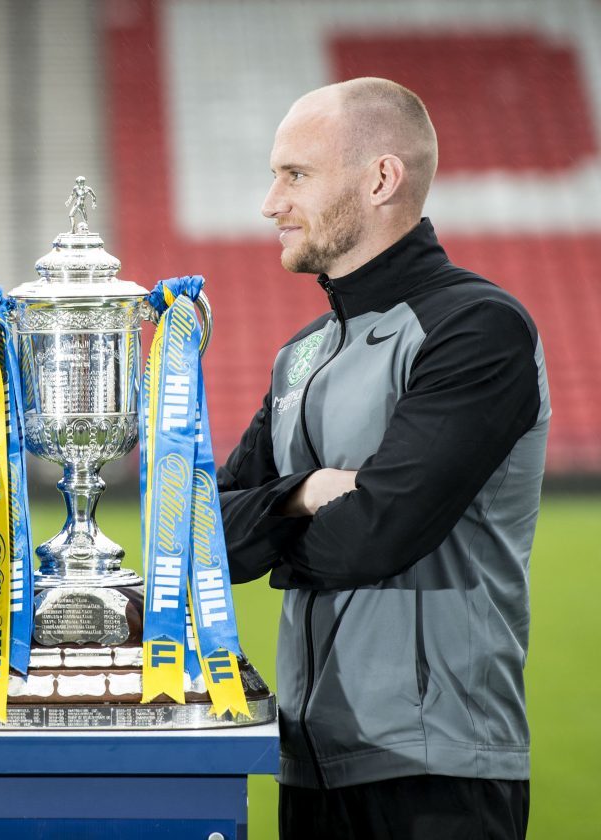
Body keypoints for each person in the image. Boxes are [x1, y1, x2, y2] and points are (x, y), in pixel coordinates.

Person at [217, 77, 549, 839]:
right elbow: (210, 536)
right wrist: (303, 496)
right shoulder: (300, 355)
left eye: (294, 175)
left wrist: (281, 528)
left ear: (380, 179)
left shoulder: (477, 328)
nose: (271, 203)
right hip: (305, 756)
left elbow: (376, 536)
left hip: (439, 767)